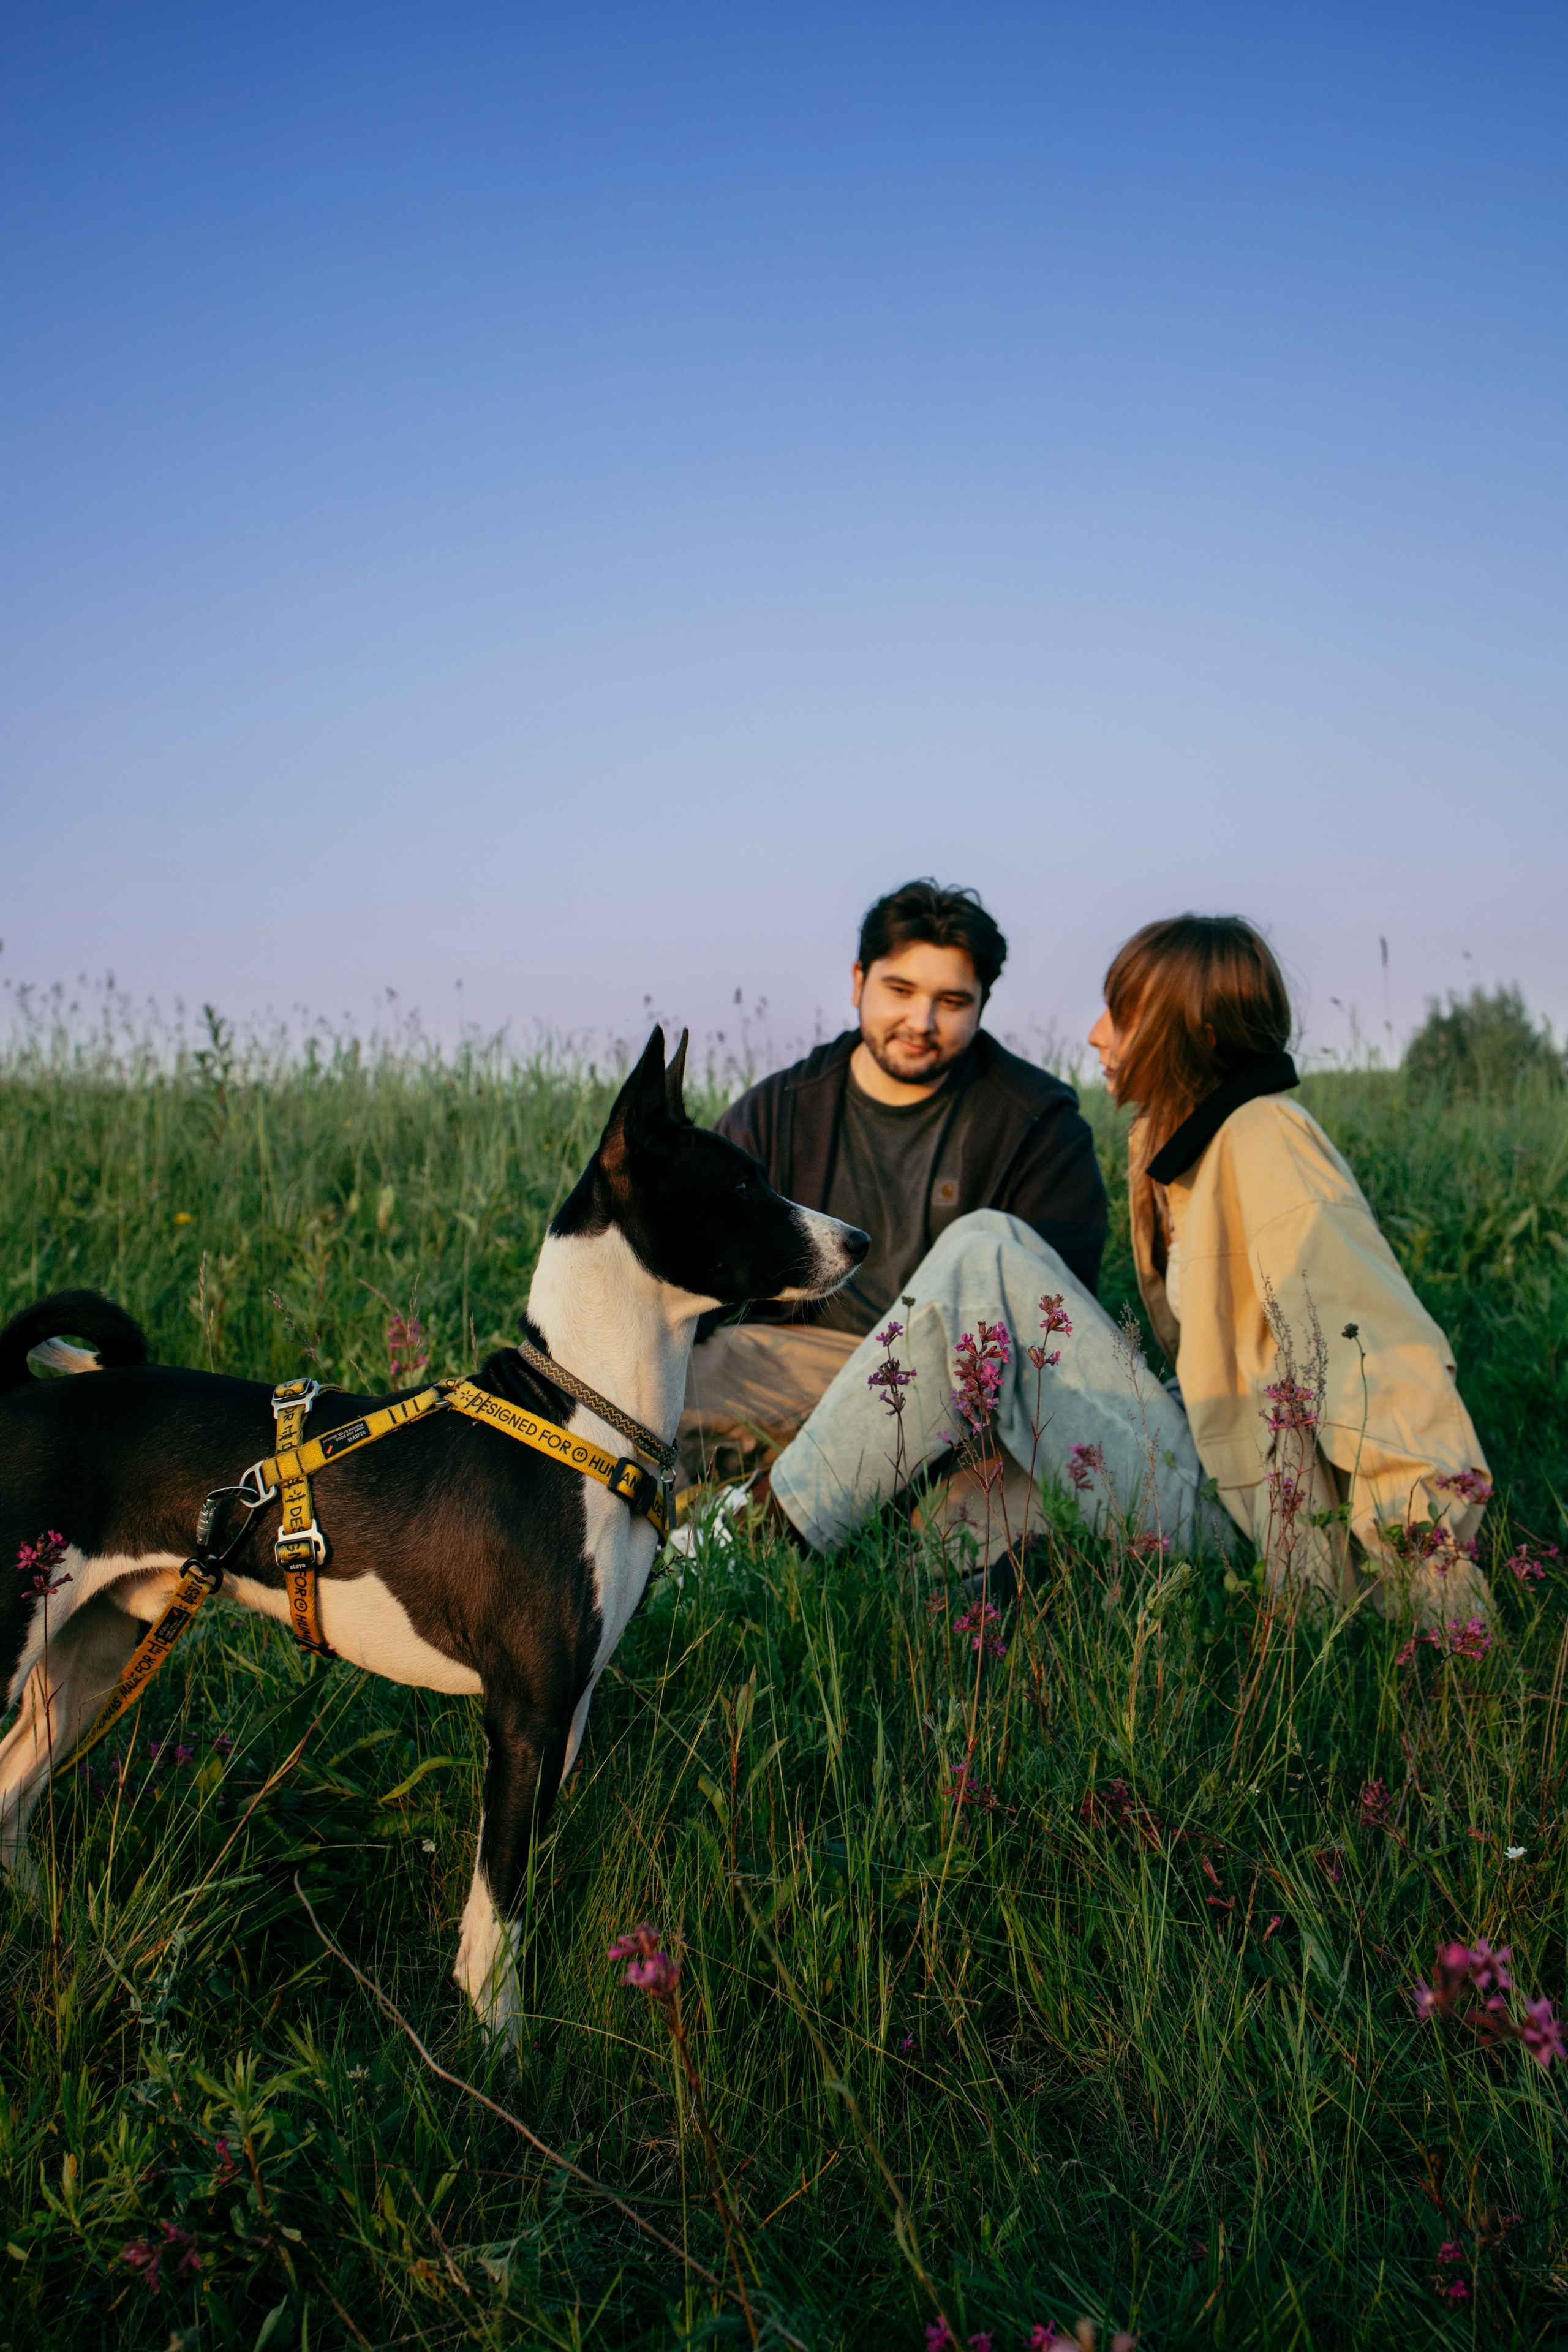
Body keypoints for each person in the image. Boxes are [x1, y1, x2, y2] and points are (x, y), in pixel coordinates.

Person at [681, 880, 1220, 1559]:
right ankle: (695, 1515)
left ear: (982, 1006)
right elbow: (697, 1262)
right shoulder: (781, 1108)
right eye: (900, 991)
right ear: (857, 982)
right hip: (794, 1360)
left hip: (961, 1386)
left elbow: (1042, 1336)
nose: (921, 1021)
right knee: (637, 1397)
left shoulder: (1038, 1124)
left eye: (952, 1002)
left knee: (964, 1536)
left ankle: (785, 1504)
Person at [1087, 913, 1491, 1614]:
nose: (1097, 1032)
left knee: (990, 1254)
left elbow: (1374, 1358)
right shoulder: (1184, 1147)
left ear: (1198, 1035)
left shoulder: (1263, 1134)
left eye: (1121, 1014)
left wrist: (1432, 1583)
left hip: (1277, 1523)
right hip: (1228, 1476)